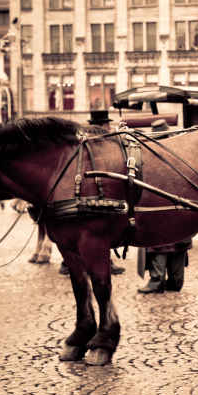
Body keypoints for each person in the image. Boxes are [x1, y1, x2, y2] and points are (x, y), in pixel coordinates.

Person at [59, 110, 125, 275]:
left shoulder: (86, 136)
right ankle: (103, 262)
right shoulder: (99, 138)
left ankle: (68, 262)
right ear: (103, 125)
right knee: (98, 225)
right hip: (95, 185)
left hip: (82, 185)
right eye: (108, 124)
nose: (109, 127)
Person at [137, 119, 193, 293]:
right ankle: (176, 280)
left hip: (160, 212)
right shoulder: (181, 155)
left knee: (159, 244)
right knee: (178, 244)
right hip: (180, 211)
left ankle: (157, 280)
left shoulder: (150, 157)